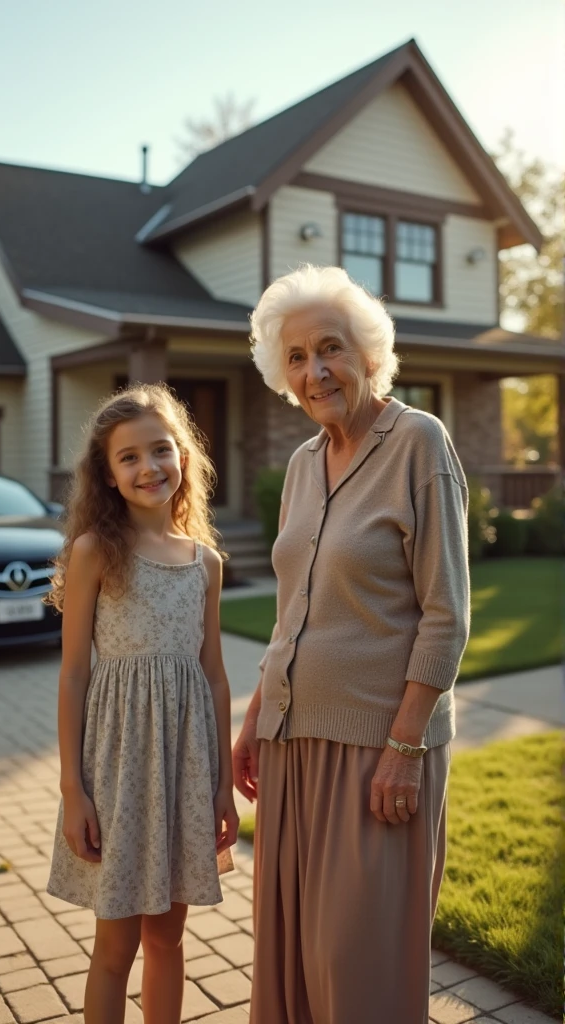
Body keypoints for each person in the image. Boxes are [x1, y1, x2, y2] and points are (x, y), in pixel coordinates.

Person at [233, 265, 470, 1024]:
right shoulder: (303, 465)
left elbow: (446, 614)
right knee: (294, 957)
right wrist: (254, 714)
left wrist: (404, 749)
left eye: (330, 348)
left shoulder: (419, 444)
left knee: (356, 966)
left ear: (369, 354)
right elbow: (293, 611)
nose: (316, 371)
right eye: (297, 357)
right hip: (291, 745)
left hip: (377, 751)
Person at [46, 383, 238, 1024]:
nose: (148, 466)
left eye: (161, 450)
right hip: (118, 774)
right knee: (115, 945)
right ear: (107, 474)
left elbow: (213, 674)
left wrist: (220, 789)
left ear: (184, 456)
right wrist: (74, 791)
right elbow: (74, 675)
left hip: (184, 774)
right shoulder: (95, 552)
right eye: (129, 457)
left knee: (168, 939)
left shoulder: (205, 562)